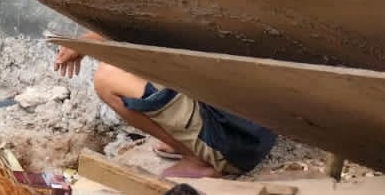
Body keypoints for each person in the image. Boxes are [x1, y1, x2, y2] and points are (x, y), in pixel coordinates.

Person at [53, 33, 276, 178]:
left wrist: (89, 41)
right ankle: (188, 142)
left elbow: (140, 31)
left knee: (107, 78)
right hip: (261, 125)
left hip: (235, 143)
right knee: (135, 62)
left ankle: (199, 159)